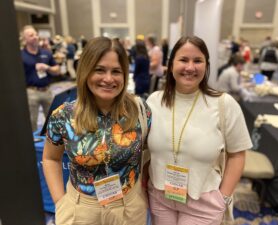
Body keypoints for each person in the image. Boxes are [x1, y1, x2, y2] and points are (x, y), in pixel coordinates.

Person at [42, 37, 151, 225]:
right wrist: (60, 202)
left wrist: (143, 196)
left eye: (116, 71)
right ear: (86, 71)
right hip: (82, 210)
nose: (108, 79)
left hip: (128, 208)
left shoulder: (140, 111)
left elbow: (148, 157)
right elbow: (51, 158)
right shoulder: (64, 116)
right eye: (99, 70)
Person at [146, 36, 252, 225]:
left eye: (198, 60)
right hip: (160, 198)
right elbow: (145, 152)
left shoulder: (224, 104)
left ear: (206, 65)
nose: (190, 67)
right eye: (183, 60)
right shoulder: (154, 101)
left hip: (203, 202)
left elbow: (237, 155)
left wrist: (223, 198)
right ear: (171, 65)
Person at [21, 25, 60, 131]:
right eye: (31, 35)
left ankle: (53, 144)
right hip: (31, 92)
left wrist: (47, 67)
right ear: (25, 39)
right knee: (32, 121)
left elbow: (57, 70)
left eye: (36, 34)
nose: (35, 37)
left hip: (47, 90)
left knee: (53, 119)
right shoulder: (21, 55)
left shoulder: (46, 53)